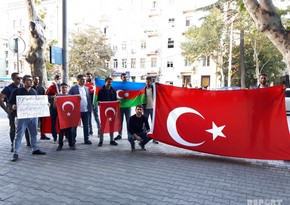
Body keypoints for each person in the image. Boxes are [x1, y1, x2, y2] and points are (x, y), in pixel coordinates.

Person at [9, 75, 46, 162]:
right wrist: (13, 106)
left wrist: (45, 104)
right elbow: (10, 102)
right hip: (22, 117)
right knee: (19, 135)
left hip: (33, 116)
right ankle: (16, 153)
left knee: (34, 133)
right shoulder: (17, 91)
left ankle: (35, 149)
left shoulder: (34, 91)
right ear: (24, 82)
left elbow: (38, 103)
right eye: (29, 80)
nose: (31, 82)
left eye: (31, 80)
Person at [0, 72, 27, 152]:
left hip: (23, 111)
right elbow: (0, 98)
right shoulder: (8, 88)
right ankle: (13, 144)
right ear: (13, 79)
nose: (20, 79)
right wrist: (7, 110)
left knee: (25, 126)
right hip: (12, 111)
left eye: (21, 78)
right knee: (13, 128)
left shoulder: (23, 86)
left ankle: (28, 142)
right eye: (18, 78)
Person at [68, 74, 92, 145]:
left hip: (86, 110)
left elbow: (88, 98)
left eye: (84, 79)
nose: (84, 81)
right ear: (78, 80)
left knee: (86, 125)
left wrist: (90, 108)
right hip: (76, 111)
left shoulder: (86, 88)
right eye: (82, 79)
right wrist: (76, 97)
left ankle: (86, 139)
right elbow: (68, 96)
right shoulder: (73, 88)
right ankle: (73, 140)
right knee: (74, 126)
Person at [97, 77, 118, 147]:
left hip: (112, 111)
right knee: (102, 126)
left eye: (111, 82)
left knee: (111, 125)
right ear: (105, 82)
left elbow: (115, 100)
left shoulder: (113, 91)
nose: (110, 83)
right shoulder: (100, 91)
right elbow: (98, 101)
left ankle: (112, 140)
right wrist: (98, 102)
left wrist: (117, 103)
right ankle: (101, 140)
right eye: (109, 82)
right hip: (103, 111)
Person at [54, 83, 75, 151]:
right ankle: (60, 145)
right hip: (61, 117)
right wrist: (55, 100)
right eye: (63, 87)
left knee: (70, 131)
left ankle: (71, 144)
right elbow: (54, 107)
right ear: (60, 88)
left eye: (66, 87)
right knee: (61, 131)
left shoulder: (70, 96)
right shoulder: (58, 96)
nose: (64, 89)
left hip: (68, 117)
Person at [32, 75, 50, 140]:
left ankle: (43, 135)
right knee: (34, 123)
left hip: (41, 108)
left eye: (38, 79)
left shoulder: (41, 88)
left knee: (42, 122)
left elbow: (45, 97)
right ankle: (33, 136)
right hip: (33, 109)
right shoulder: (31, 89)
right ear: (32, 80)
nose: (37, 81)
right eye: (35, 79)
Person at [114, 73, 130, 141]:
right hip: (120, 106)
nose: (125, 78)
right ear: (121, 78)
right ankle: (119, 134)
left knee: (128, 121)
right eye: (124, 77)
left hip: (128, 106)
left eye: (126, 77)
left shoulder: (130, 85)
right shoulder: (119, 85)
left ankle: (129, 135)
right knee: (120, 121)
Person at [84, 72, 101, 137]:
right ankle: (90, 131)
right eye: (87, 76)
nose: (88, 77)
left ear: (91, 77)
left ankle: (99, 131)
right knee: (89, 118)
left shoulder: (95, 84)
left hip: (94, 103)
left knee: (96, 117)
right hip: (87, 104)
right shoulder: (85, 85)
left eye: (89, 76)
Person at [143, 76, 159, 144]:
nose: (147, 83)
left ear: (151, 82)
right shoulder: (143, 89)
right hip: (145, 108)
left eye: (149, 82)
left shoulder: (154, 89)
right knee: (144, 124)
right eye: (146, 82)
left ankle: (154, 138)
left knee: (154, 124)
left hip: (153, 109)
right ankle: (143, 137)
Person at [46, 74, 61, 143]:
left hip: (61, 108)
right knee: (53, 122)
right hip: (53, 108)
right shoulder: (51, 87)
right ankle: (54, 137)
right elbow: (46, 97)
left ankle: (62, 136)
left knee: (62, 122)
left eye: (60, 78)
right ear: (55, 79)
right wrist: (53, 97)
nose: (59, 80)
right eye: (57, 78)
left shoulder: (64, 87)